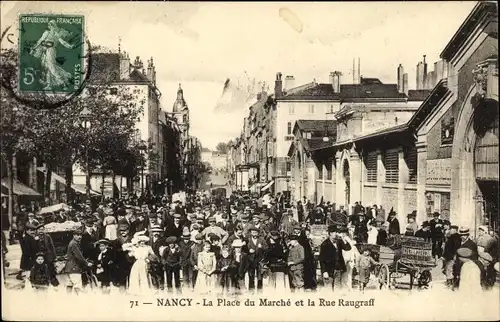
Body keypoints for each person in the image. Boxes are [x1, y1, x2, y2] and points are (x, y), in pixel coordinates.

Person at [319, 225, 352, 291]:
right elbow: (322, 259)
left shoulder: (339, 241)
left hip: (338, 269)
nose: (337, 234)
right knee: (328, 289)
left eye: (337, 232)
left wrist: (343, 239)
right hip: (329, 270)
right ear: (330, 233)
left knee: (337, 288)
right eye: (335, 232)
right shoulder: (324, 244)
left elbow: (348, 248)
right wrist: (324, 271)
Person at [63, 226, 93, 294]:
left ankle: (68, 298)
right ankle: (78, 298)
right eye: (78, 235)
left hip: (69, 267)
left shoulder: (73, 242)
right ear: (74, 235)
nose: (80, 237)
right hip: (75, 266)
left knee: (69, 283)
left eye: (80, 235)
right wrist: (87, 263)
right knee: (77, 284)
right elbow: (79, 255)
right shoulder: (74, 244)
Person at [246, 225, 268, 291]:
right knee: (251, 276)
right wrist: (248, 251)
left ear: (258, 233)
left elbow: (267, 248)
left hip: (259, 261)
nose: (254, 234)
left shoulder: (261, 240)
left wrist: (262, 247)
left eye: (256, 233)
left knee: (260, 277)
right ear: (250, 233)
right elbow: (244, 249)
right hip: (251, 261)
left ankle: (259, 291)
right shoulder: (248, 240)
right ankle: (251, 291)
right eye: (253, 232)